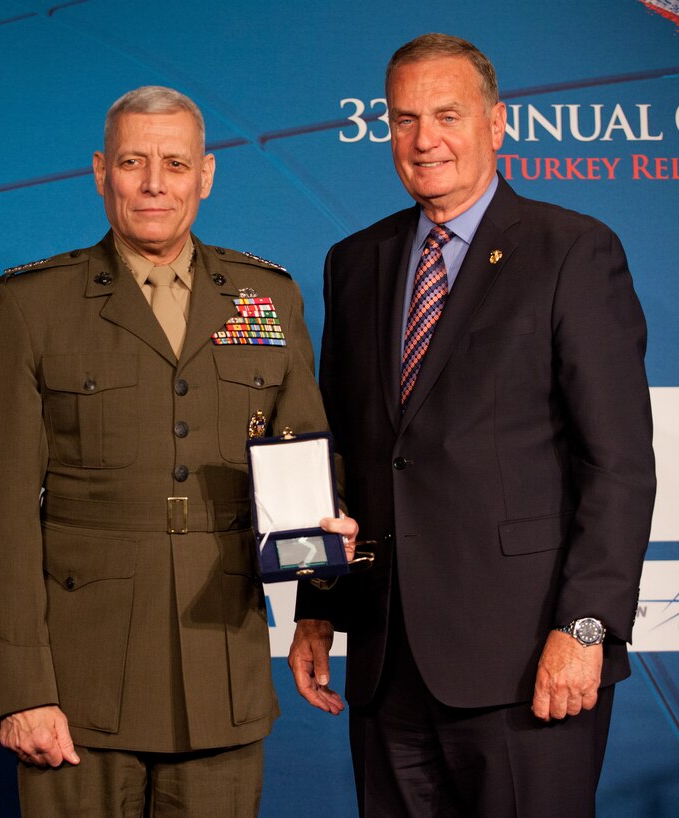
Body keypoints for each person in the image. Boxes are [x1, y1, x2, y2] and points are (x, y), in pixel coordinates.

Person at [0, 85, 356, 817]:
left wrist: (320, 583)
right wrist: (22, 691)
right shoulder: (32, 305)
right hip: (80, 683)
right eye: (133, 162)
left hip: (223, 671)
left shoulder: (266, 298)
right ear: (100, 170)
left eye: (174, 165)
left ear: (205, 175)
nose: (153, 184)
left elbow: (308, 471)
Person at [289, 33, 656, 817]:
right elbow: (341, 461)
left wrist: (584, 629)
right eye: (405, 118)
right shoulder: (354, 261)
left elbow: (617, 463)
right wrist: (320, 604)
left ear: (496, 124)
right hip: (388, 665)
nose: (426, 139)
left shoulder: (573, 251)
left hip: (529, 663)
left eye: (448, 115)